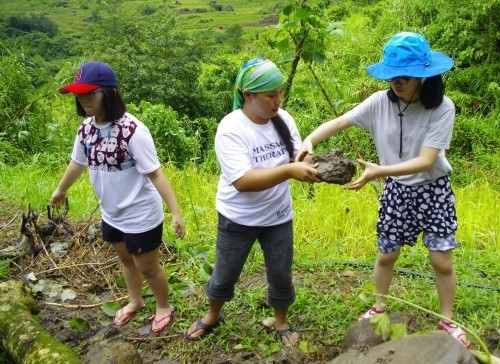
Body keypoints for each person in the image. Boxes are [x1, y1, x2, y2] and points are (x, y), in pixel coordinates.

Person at [296, 32, 470, 347]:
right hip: (397, 192)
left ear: (423, 76)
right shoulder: (379, 103)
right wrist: (310, 139)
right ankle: (379, 305)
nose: (396, 83)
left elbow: (426, 160)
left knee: (441, 261)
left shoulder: (442, 108)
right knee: (386, 254)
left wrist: (380, 171)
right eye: (391, 77)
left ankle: (448, 321)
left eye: (404, 77)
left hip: (433, 190)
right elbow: (339, 123)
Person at [185, 57, 319, 347]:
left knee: (281, 275)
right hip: (238, 217)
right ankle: (213, 315)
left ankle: (280, 321)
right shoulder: (231, 128)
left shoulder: (283, 119)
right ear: (248, 95)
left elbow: (297, 156)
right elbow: (243, 182)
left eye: (279, 93)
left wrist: (311, 163)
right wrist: (289, 171)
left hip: (278, 216)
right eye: (271, 95)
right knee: (224, 275)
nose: (277, 101)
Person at [50, 60, 186, 334]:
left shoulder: (133, 130)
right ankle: (135, 301)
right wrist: (61, 189)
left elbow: (156, 173)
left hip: (140, 214)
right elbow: (77, 163)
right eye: (80, 93)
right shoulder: (86, 129)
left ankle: (163, 306)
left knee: (148, 267)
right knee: (125, 261)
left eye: (91, 92)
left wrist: (175, 212)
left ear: (109, 93)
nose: (84, 98)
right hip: (110, 212)